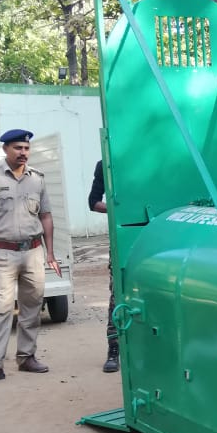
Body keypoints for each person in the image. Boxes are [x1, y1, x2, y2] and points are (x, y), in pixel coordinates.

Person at [0, 129, 61, 387]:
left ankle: (26, 356)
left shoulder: (38, 180)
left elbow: (45, 216)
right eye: (17, 148)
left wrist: (51, 253)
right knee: (0, 309)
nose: (23, 153)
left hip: (33, 251)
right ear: (5, 150)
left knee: (32, 307)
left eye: (26, 148)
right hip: (4, 253)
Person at [88, 159, 119, 373]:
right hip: (122, 238)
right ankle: (114, 350)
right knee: (117, 295)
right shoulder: (105, 164)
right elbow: (93, 202)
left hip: (156, 236)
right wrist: (117, 210)